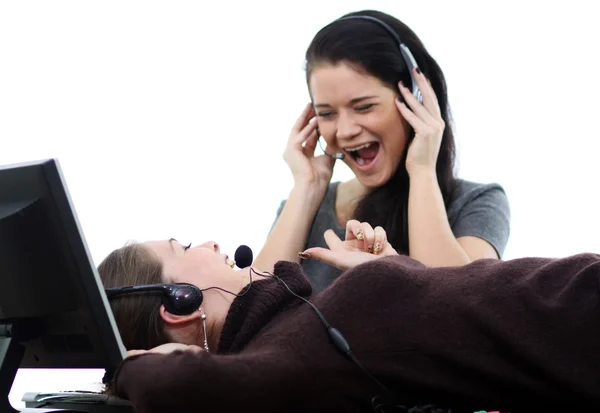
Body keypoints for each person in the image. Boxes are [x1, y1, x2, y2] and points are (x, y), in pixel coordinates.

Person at [98, 222, 600, 413]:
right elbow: (186, 388)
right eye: (183, 247)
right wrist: (132, 367)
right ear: (178, 301)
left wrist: (396, 271)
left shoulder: (303, 325)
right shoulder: (297, 347)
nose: (207, 241)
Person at [253, 10, 511, 292]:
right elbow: (251, 313)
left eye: (363, 107)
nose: (345, 130)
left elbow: (458, 302)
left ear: (416, 100)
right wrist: (307, 187)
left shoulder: (475, 202)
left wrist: (422, 171)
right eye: (326, 113)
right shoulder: (304, 205)